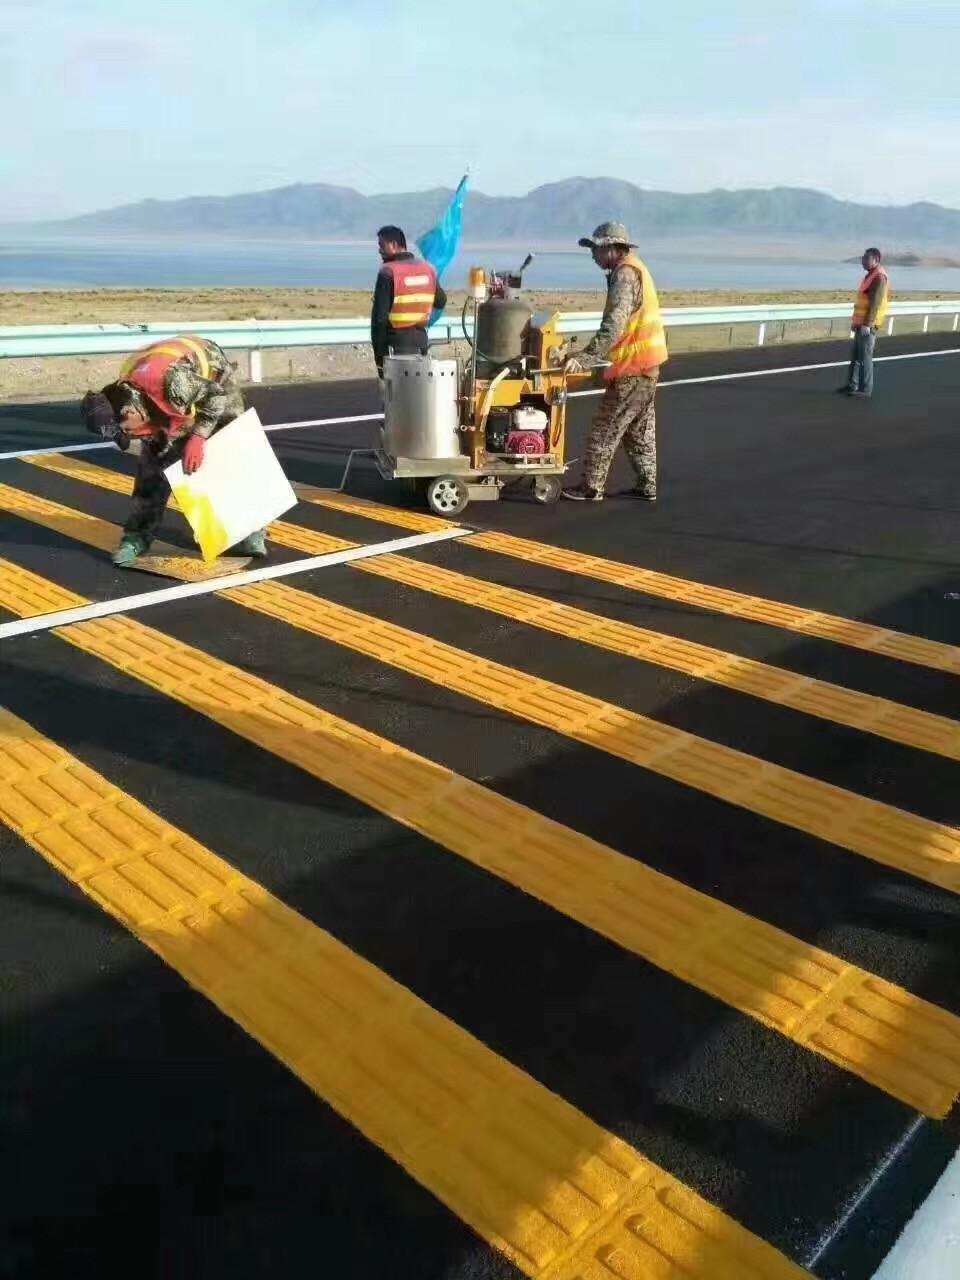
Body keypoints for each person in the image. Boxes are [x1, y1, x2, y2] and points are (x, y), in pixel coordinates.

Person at [81, 334, 268, 566]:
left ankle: (252, 529)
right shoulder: (123, 396)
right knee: (152, 466)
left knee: (227, 448)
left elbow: (215, 397)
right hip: (167, 394)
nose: (131, 437)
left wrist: (198, 438)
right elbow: (148, 433)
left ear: (130, 412)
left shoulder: (171, 382)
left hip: (213, 382)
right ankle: (136, 537)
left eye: (127, 431)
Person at [561, 222, 668, 502]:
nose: (593, 255)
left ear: (611, 248)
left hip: (632, 368)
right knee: (639, 432)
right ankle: (648, 486)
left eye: (596, 249)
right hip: (647, 365)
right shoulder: (637, 268)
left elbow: (614, 324)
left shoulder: (625, 275)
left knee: (604, 430)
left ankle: (590, 488)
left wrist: (585, 358)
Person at [371, 225, 448, 376]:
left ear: (393, 245)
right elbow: (441, 301)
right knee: (418, 393)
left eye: (381, 245)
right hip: (421, 343)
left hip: (395, 346)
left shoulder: (388, 272)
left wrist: (379, 359)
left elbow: (379, 321)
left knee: (398, 396)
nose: (379, 250)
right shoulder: (427, 269)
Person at [839, 247, 890, 399]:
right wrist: (857, 322)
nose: (863, 261)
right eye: (863, 258)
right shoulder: (870, 276)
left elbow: (875, 303)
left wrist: (867, 324)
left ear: (876, 260)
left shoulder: (879, 277)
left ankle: (865, 389)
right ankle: (852, 385)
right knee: (856, 357)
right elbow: (863, 302)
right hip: (860, 324)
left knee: (865, 358)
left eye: (866, 258)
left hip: (868, 326)